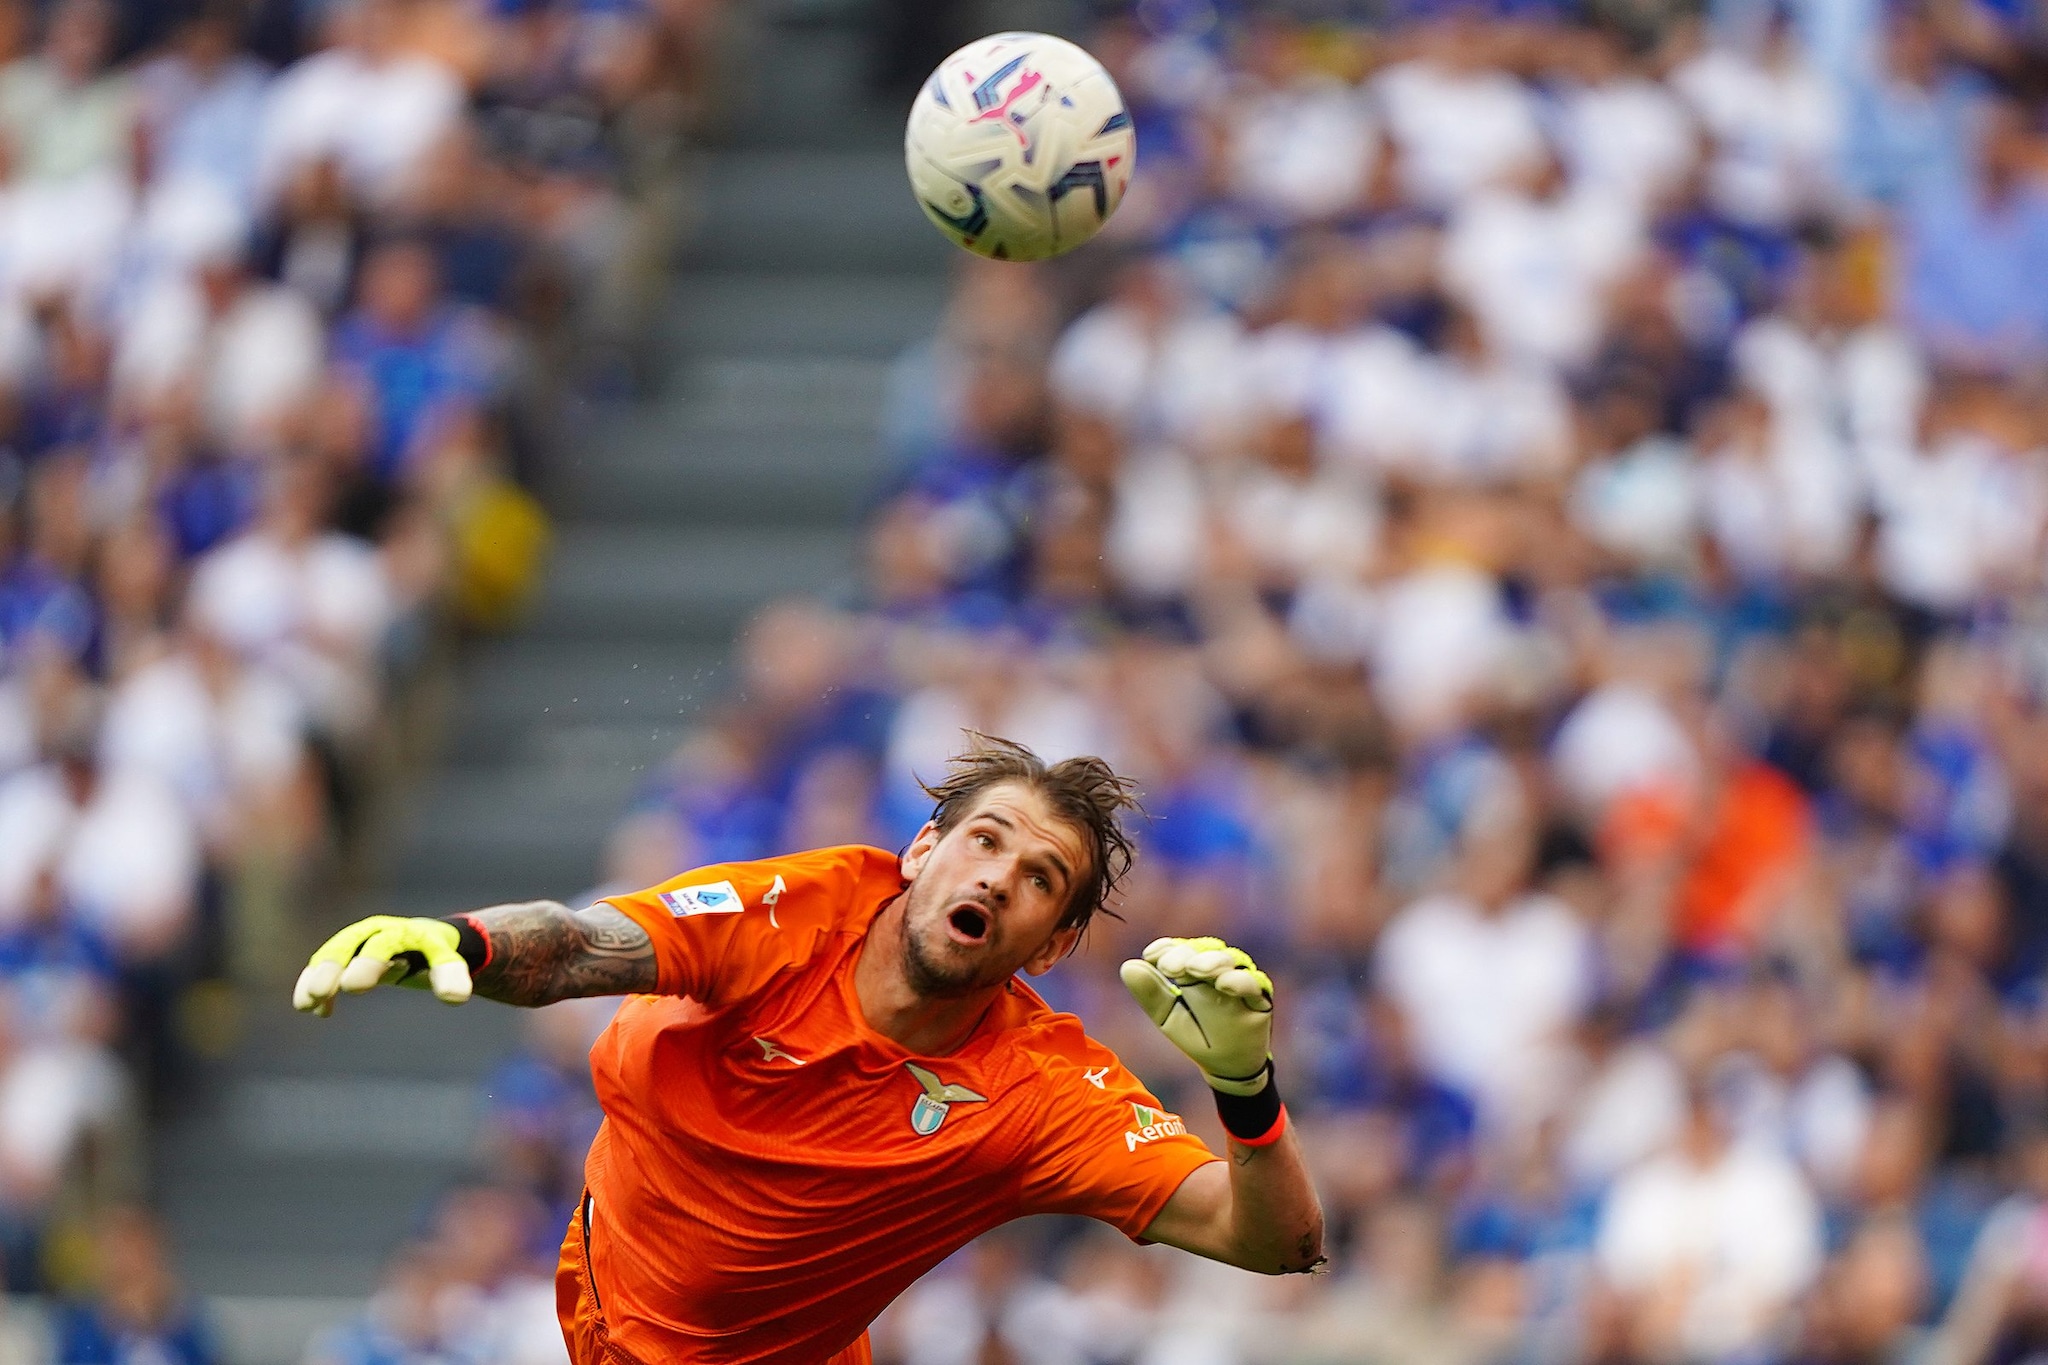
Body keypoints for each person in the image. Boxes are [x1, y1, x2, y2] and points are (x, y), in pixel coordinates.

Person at [292, 734, 1325, 1364]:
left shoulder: (1041, 1092)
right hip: (597, 1285)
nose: (1001, 876)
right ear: (923, 850)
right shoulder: (796, 907)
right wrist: (461, 938)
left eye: (1041, 877)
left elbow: (1274, 1242)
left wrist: (1242, 1085)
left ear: (1050, 946)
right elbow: (580, 949)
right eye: (984, 839)